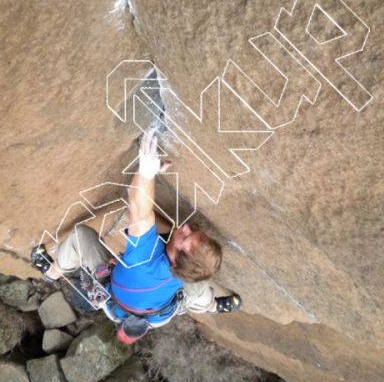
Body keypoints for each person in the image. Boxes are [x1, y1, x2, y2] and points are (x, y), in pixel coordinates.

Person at [31, 128, 242, 344]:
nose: (186, 227)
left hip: (117, 304)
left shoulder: (145, 258)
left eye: (185, 238)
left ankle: (53, 272)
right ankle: (213, 306)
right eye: (192, 233)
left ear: (177, 259)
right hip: (161, 313)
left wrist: (146, 173)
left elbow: (138, 208)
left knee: (81, 236)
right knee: (198, 284)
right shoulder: (188, 270)